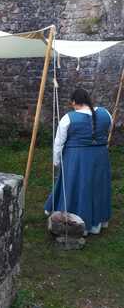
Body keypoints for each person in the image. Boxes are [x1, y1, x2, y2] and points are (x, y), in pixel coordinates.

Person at [44, 88, 112, 236]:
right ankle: (97, 223)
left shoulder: (68, 118)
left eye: (72, 103)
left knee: (77, 186)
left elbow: (58, 143)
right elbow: (107, 130)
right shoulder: (106, 114)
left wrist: (56, 161)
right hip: (100, 158)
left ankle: (77, 222)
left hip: (77, 159)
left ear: (74, 102)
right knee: (96, 187)